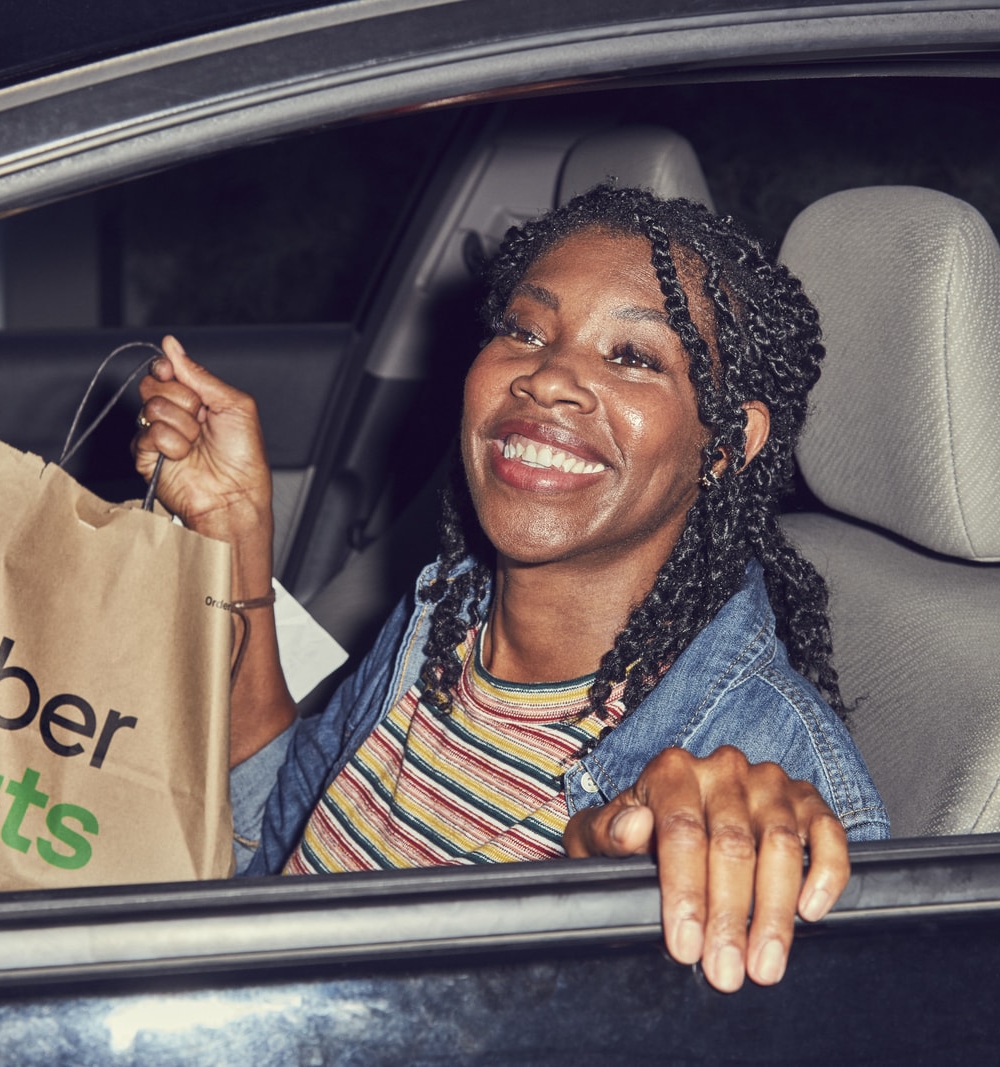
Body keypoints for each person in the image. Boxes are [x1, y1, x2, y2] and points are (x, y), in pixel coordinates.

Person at [132, 185, 888, 994]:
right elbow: (279, 823)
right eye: (525, 331)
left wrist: (605, 878)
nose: (549, 377)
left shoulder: (755, 788)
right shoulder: (448, 610)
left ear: (729, 441)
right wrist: (237, 533)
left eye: (633, 356)